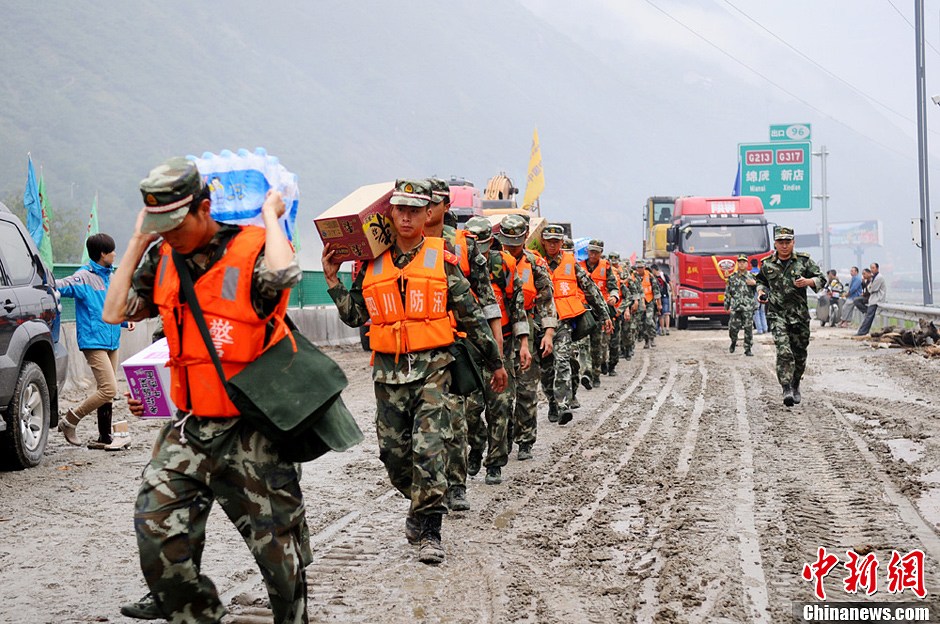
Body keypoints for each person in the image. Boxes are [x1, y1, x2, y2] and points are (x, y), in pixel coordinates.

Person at [101, 157, 310, 623]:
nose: (170, 234)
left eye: (176, 223)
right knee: (156, 535)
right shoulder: (161, 259)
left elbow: (284, 276)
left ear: (205, 207)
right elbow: (115, 313)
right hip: (190, 427)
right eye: (161, 225)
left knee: (281, 561)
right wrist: (139, 239)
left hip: (251, 429)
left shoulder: (251, 246)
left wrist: (272, 218)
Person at [323, 179, 507, 565]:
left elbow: (471, 316)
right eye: (399, 209)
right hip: (388, 375)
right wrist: (331, 281)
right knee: (394, 457)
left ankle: (431, 531)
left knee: (430, 450)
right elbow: (356, 314)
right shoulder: (372, 263)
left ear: (428, 215)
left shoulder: (442, 259)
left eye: (414, 210)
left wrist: (495, 362)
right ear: (390, 214)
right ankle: (419, 505)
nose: (406, 216)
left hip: (434, 368)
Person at [425, 178, 502, 512]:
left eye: (431, 203)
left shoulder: (462, 246)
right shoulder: (395, 246)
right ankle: (427, 491)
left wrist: (495, 346)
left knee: (457, 418)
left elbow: (482, 301)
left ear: (444, 207)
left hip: (453, 341)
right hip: (409, 348)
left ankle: (455, 486)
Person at [462, 216, 529, 485]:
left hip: (502, 342)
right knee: (469, 408)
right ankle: (476, 446)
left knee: (500, 405)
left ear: (491, 242)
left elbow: (518, 306)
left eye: (482, 244)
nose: (478, 249)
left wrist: (524, 343)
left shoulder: (504, 265)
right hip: (468, 344)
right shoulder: (457, 265)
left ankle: (495, 463)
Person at [56, 233, 135, 450]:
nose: (115, 254)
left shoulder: (110, 276)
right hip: (93, 342)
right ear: (102, 254)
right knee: (109, 389)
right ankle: (70, 420)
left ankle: (104, 437)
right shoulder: (83, 277)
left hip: (111, 340)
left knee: (106, 390)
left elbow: (107, 308)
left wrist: (122, 322)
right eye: (112, 251)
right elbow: (59, 285)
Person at [538, 225, 612, 425]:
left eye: (557, 241)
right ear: (543, 241)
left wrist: (604, 314)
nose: (553, 245)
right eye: (549, 241)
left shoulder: (571, 263)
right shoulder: (535, 261)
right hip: (540, 323)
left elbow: (590, 288)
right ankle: (552, 401)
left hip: (563, 321)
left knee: (562, 362)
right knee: (546, 369)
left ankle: (563, 405)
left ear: (562, 243)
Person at [496, 215, 556, 461]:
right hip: (499, 330)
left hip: (528, 329)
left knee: (527, 388)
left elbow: (548, 301)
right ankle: (504, 436)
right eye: (507, 241)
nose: (511, 246)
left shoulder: (535, 264)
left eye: (516, 241)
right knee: (502, 391)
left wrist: (549, 333)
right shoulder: (492, 261)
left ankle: (525, 440)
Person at [755, 226, 823, 407]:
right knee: (784, 351)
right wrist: (761, 292)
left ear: (793, 242)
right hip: (777, 314)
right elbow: (760, 280)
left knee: (799, 353)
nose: (784, 246)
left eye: (788, 242)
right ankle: (786, 387)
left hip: (799, 316)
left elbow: (821, 278)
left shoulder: (804, 261)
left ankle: (795, 384)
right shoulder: (767, 263)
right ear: (775, 244)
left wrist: (809, 282)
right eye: (780, 242)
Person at [577, 239, 619, 386]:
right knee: (582, 343)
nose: (593, 254)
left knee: (597, 344)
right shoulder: (579, 266)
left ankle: (595, 373)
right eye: (591, 251)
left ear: (601, 252)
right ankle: (586, 372)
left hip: (600, 309)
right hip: (582, 309)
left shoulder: (606, 267)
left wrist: (614, 296)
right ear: (587, 251)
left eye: (596, 251)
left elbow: (613, 286)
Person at [724, 255, 757, 356]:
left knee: (748, 328)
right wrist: (726, 305)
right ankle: (733, 341)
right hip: (736, 307)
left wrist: (754, 283)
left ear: (747, 264)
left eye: (744, 262)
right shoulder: (732, 277)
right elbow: (727, 292)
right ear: (737, 264)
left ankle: (748, 348)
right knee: (733, 328)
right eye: (740, 262)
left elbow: (762, 288)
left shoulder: (752, 277)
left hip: (748, 307)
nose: (742, 264)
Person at [634, 261, 661, 349]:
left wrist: (659, 304)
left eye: (642, 267)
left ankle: (652, 338)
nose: (640, 269)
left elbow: (656, 291)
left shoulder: (650, 276)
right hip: (639, 302)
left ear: (645, 267)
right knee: (642, 322)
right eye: (638, 267)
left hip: (649, 301)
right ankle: (646, 341)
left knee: (649, 320)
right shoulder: (634, 276)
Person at [856, 262, 887, 336]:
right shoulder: (874, 277)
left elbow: (872, 289)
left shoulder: (879, 277)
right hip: (873, 299)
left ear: (877, 268)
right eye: (871, 268)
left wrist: (869, 287)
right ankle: (862, 331)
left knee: (868, 317)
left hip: (877, 299)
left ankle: (862, 332)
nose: (872, 270)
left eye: (873, 268)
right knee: (868, 316)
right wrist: (869, 287)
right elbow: (869, 287)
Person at [750, 258, 768, 334]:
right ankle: (765, 328)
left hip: (755, 293)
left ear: (750, 264)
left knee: (756, 311)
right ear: (758, 264)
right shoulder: (762, 272)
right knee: (763, 311)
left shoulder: (750, 273)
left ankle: (759, 330)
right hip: (764, 292)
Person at [653, 264, 671, 336]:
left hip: (665, 296)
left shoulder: (663, 275)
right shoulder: (653, 277)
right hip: (657, 297)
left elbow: (670, 283)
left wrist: (673, 294)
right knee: (660, 314)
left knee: (666, 313)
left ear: (654, 269)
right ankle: (662, 329)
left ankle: (667, 329)